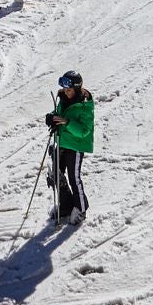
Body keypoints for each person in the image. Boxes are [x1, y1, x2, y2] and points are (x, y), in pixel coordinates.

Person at [46, 71, 94, 225]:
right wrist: (52, 117)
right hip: (61, 142)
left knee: (74, 178)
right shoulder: (63, 99)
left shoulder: (85, 105)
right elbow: (58, 113)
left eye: (69, 89)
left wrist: (67, 122)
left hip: (75, 146)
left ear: (77, 88)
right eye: (65, 89)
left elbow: (84, 131)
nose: (66, 92)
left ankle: (80, 209)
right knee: (55, 174)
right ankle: (65, 205)